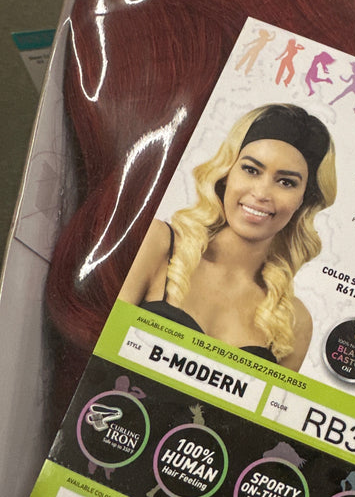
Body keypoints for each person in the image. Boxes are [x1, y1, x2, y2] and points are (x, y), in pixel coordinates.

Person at [119, 104, 336, 371]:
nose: (261, 193)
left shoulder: (294, 321)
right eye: (251, 170)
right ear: (226, 172)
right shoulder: (158, 243)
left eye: (286, 182)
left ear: (303, 200)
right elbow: (98, 353)